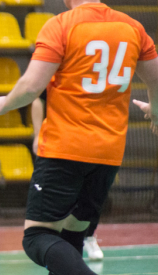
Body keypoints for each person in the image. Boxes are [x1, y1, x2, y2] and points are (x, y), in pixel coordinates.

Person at [0, 0, 158, 275]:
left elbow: (32, 87)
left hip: (65, 148)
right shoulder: (132, 27)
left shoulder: (61, 25)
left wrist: (3, 103)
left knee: (36, 238)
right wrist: (155, 111)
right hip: (108, 153)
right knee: (69, 239)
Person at [32, 93, 104, 261]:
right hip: (60, 143)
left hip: (94, 140)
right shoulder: (55, 79)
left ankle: (88, 236)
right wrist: (37, 135)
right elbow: (37, 99)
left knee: (91, 195)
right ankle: (56, 238)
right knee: (61, 195)